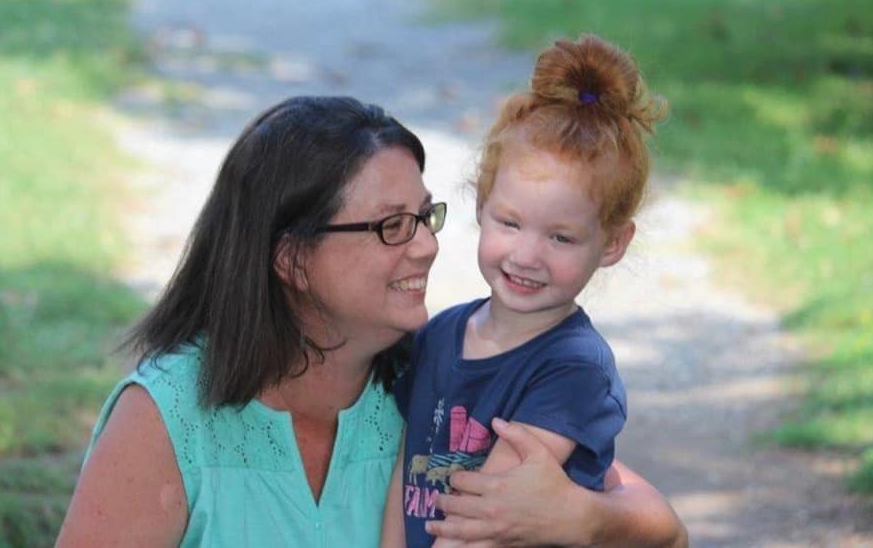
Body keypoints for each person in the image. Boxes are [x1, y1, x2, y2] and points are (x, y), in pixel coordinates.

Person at [55, 95, 687, 547]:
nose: (425, 247)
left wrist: (584, 520)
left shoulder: (427, 376)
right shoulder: (168, 417)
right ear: (292, 258)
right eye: (390, 226)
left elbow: (662, 527)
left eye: (423, 217)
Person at [382, 34, 668, 548]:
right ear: (480, 206)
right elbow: (404, 469)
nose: (527, 255)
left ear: (612, 243)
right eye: (510, 223)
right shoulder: (442, 334)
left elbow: (491, 514)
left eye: (561, 237)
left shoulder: (575, 368)